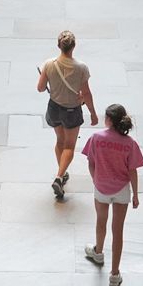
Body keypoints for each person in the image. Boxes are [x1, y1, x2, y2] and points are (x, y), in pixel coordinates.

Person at [82, 104, 143, 286]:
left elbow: (91, 163)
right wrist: (135, 194)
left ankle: (98, 252)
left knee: (101, 222)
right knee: (118, 230)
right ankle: (115, 274)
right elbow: (132, 170)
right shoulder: (130, 143)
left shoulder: (96, 138)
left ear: (108, 120)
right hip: (122, 190)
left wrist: (96, 180)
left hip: (101, 188)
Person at [36, 31, 96, 199]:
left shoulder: (49, 64)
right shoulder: (81, 68)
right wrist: (93, 113)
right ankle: (59, 175)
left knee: (60, 141)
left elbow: (40, 88)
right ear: (74, 46)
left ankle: (61, 173)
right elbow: (86, 93)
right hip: (72, 110)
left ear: (59, 46)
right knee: (69, 145)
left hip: (54, 108)